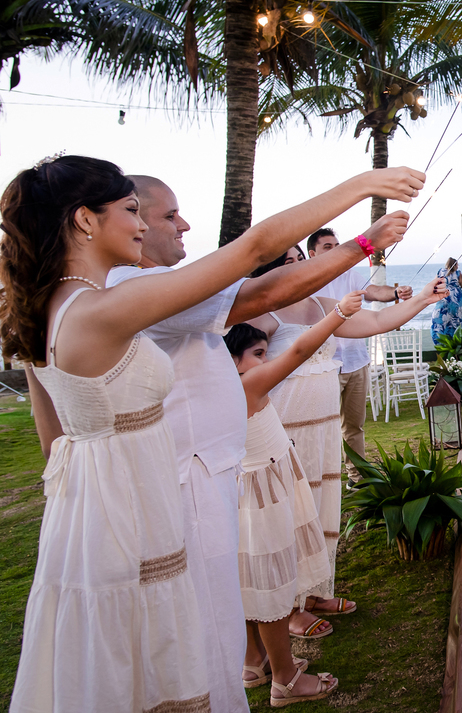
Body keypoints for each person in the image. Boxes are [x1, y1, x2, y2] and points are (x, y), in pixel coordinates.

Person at [3, 155, 421, 712]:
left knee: (128, 649)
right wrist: (363, 189)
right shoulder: (109, 303)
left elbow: (51, 434)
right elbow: (253, 260)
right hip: (149, 496)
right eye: (132, 211)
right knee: (181, 641)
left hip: (91, 505)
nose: (143, 225)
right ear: (85, 220)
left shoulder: (42, 307)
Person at [245, 266, 447, 639]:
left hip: (322, 426)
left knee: (321, 506)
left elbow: (378, 320)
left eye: (299, 259)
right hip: (285, 427)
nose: (298, 267)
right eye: (287, 262)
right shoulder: (263, 314)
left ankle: (314, 591)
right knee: (289, 515)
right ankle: (288, 608)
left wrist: (421, 298)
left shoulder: (323, 305)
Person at [226, 294, 364, 706]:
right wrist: (339, 313)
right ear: (233, 360)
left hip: (248, 490)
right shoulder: (250, 383)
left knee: (251, 580)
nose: (265, 361)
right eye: (257, 354)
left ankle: (254, 662)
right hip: (266, 491)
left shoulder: (223, 391)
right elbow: (301, 350)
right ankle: (285, 679)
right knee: (272, 583)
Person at [307, 228, 413, 483]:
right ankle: (321, 479)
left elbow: (374, 291)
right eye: (327, 247)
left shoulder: (349, 275)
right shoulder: (307, 283)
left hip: (356, 362)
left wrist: (396, 293)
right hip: (325, 366)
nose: (335, 250)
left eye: (336, 245)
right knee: (322, 429)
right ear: (312, 254)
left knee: (354, 427)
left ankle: (358, 478)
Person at [431, 258, 462, 345]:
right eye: (457, 265)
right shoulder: (458, 273)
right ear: (455, 265)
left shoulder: (440, 271)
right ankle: (454, 341)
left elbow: (434, 284)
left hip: (444, 297)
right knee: (455, 320)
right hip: (456, 300)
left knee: (441, 318)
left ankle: (440, 341)